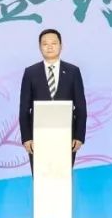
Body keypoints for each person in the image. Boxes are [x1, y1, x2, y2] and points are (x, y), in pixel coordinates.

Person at [19, 28, 87, 165]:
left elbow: (81, 106)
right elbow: (24, 108)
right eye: (45, 44)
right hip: (38, 137)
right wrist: (26, 138)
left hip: (67, 136)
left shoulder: (73, 71)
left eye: (54, 43)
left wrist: (79, 136)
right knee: (41, 176)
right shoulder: (30, 72)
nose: (49, 47)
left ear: (61, 46)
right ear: (40, 47)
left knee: (63, 176)